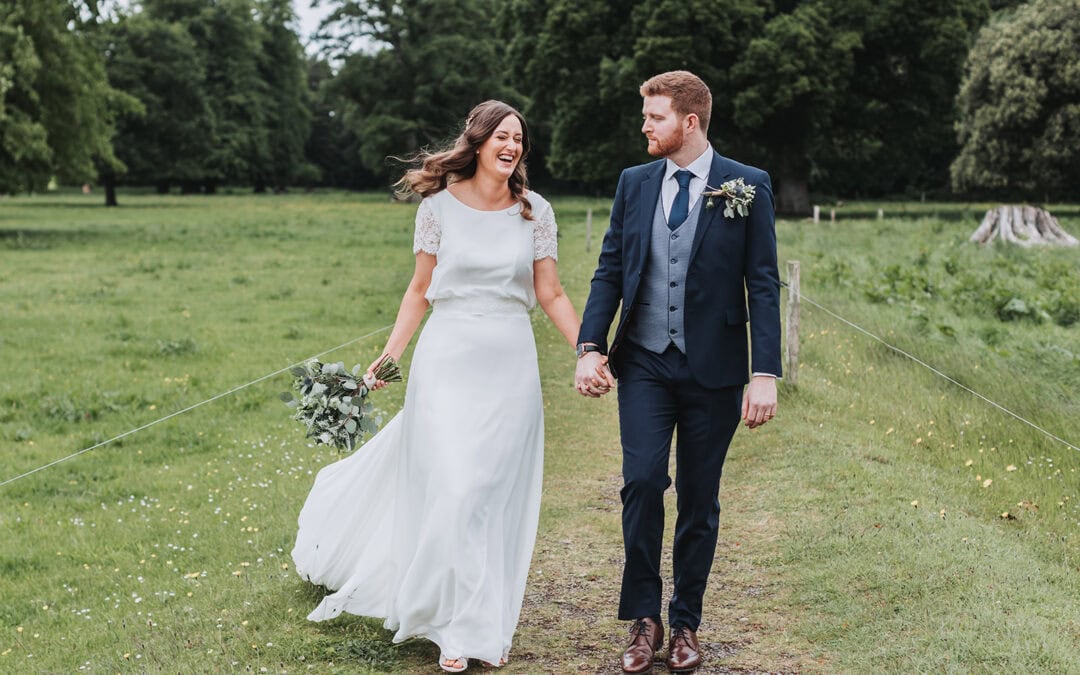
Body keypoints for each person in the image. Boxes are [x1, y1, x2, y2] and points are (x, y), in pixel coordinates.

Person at [291, 100, 595, 672]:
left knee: (487, 496)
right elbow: (418, 291)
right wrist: (386, 359)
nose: (512, 146)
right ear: (477, 143)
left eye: (519, 139)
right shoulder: (437, 209)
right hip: (447, 362)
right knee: (456, 489)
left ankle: (474, 623)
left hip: (509, 366)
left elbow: (550, 293)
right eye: (501, 136)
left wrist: (586, 348)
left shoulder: (537, 212)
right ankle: (450, 624)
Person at [575, 71, 781, 673]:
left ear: (689, 122)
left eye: (655, 117)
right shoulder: (634, 183)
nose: (644, 126)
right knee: (641, 482)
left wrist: (763, 372)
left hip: (713, 369)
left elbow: (762, 285)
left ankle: (687, 621)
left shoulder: (748, 185)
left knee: (699, 498)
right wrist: (591, 345)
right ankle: (644, 619)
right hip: (642, 362)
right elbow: (610, 267)